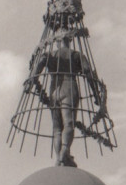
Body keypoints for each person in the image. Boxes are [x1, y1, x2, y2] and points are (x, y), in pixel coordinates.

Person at [28, 30, 93, 167]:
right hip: (69, 87)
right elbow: (88, 73)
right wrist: (96, 94)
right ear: (69, 40)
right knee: (69, 123)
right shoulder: (76, 55)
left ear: (56, 41)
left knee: (57, 127)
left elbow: (40, 63)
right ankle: (64, 153)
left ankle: (60, 157)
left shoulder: (50, 55)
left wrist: (32, 79)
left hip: (54, 89)